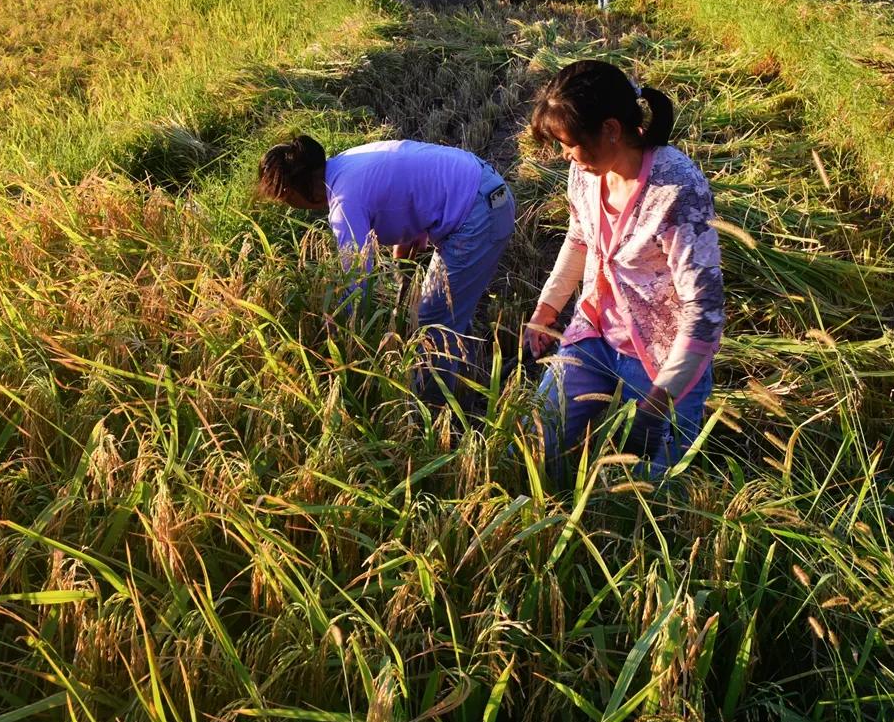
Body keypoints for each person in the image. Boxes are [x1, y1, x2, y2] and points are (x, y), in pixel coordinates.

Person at [523, 60, 723, 477]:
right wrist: (546, 310)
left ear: (611, 130)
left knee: (658, 492)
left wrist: (660, 400)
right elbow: (580, 240)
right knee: (537, 447)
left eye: (569, 143)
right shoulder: (584, 174)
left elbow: (704, 308)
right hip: (594, 333)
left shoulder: (676, 189)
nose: (565, 156)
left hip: (661, 358)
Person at [258, 135, 514, 394]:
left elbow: (356, 282)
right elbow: (405, 190)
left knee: (433, 321)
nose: (290, 206)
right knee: (449, 310)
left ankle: (434, 414)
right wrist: (400, 266)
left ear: (301, 188)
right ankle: (467, 386)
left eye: (287, 198)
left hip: (478, 212)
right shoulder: (347, 163)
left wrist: (338, 336)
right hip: (485, 190)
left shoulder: (344, 201)